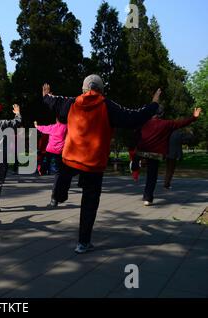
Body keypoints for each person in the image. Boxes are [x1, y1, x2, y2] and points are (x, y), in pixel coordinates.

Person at [42, 75, 161, 254]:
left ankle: (58, 194)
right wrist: (153, 104)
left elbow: (54, 102)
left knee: (64, 172)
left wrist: (46, 96)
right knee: (89, 201)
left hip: (71, 157)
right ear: (102, 90)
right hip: (93, 162)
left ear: (83, 90)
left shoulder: (71, 103)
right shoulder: (108, 105)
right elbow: (133, 117)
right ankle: (83, 243)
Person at [137, 107, 202, 206]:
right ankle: (147, 197)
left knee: (148, 171)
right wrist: (194, 117)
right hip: (155, 153)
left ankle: (138, 163)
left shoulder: (145, 122)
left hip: (144, 150)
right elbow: (181, 123)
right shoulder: (166, 124)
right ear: (162, 114)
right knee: (152, 175)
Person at [34, 117, 68, 208]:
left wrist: (36, 125)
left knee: (46, 160)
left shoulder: (52, 127)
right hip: (60, 152)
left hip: (50, 150)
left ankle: (43, 169)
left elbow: (43, 128)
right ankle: (54, 198)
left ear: (56, 120)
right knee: (59, 173)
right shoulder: (67, 127)